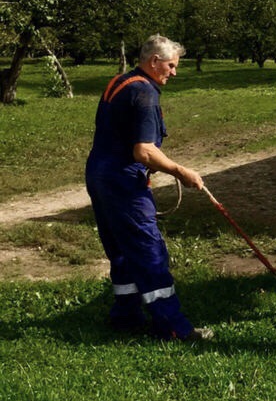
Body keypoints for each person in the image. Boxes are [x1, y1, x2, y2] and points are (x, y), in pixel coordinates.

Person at [85, 34, 213, 341]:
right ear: (154, 62)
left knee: (120, 248)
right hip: (124, 182)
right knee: (149, 251)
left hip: (99, 175)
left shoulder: (120, 82)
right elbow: (143, 150)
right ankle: (172, 327)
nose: (174, 72)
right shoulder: (145, 94)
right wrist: (181, 172)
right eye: (170, 66)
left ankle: (126, 315)